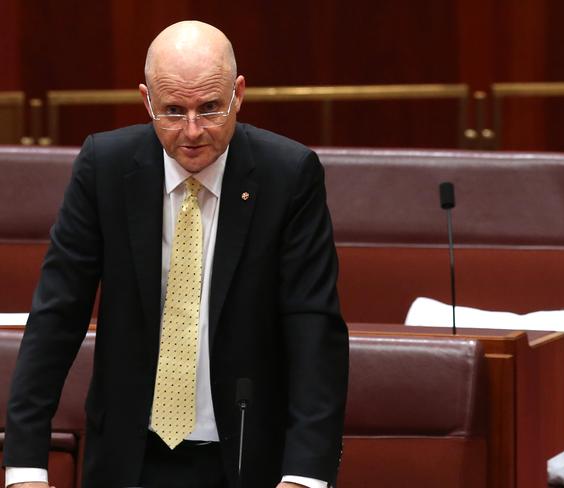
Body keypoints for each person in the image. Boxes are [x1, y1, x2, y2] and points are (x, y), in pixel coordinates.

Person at [3, 21, 348, 488]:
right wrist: (25, 464)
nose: (192, 131)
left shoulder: (287, 176)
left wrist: (306, 475)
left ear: (238, 94)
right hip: (127, 457)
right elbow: (56, 316)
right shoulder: (105, 167)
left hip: (246, 458)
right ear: (146, 100)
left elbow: (314, 329)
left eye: (209, 109)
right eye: (172, 110)